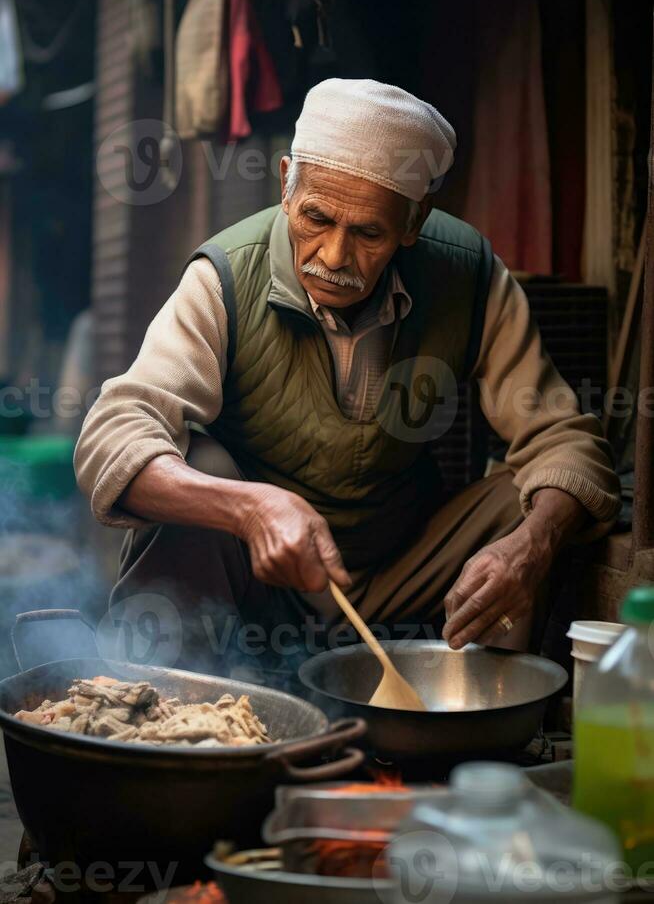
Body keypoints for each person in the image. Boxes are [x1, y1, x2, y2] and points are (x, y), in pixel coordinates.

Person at [75, 79, 620, 674]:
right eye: (316, 217)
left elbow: (569, 441)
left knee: (527, 501)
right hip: (259, 579)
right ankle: (165, 714)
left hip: (401, 574)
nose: (333, 257)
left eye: (368, 233)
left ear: (414, 222)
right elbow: (114, 436)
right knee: (193, 468)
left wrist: (529, 550)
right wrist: (248, 509)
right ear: (286, 184)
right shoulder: (225, 278)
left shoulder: (469, 277)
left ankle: (479, 733)